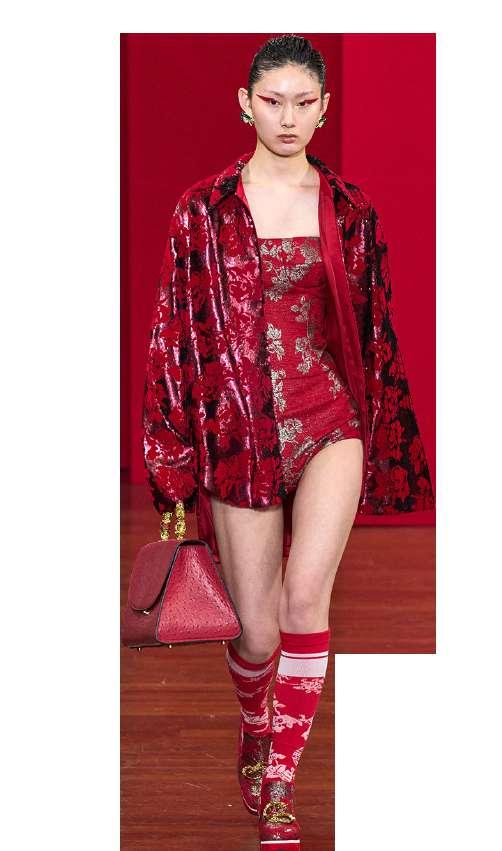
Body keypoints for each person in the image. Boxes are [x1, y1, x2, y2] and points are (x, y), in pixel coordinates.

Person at [142, 34, 435, 851]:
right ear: (245, 103)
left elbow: (373, 336)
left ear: (324, 109)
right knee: (259, 630)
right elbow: (173, 337)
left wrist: (383, 435)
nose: (288, 117)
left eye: (304, 102)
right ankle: (254, 724)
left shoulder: (350, 209)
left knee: (307, 598)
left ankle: (280, 783)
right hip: (240, 430)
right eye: (272, 100)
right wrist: (170, 462)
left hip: (329, 417)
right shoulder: (203, 210)